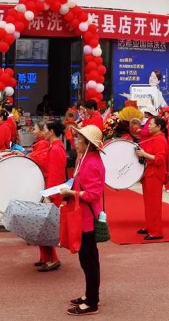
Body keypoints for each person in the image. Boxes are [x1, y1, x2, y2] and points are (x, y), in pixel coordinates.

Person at [59, 125, 105, 316]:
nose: (76, 142)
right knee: (88, 259)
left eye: (79, 140)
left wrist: (71, 193)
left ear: (87, 145)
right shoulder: (85, 159)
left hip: (87, 216)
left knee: (88, 260)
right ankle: (90, 295)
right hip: (83, 214)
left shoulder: (92, 163)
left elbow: (93, 194)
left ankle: (92, 302)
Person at [37, 120, 67, 272]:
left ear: (52, 132)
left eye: (45, 129)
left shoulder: (55, 149)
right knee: (44, 225)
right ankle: (45, 256)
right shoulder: (54, 147)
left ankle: (52, 259)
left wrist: (49, 195)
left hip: (52, 192)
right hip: (51, 190)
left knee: (45, 227)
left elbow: (55, 176)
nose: (43, 132)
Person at [135, 116, 168, 241]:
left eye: (151, 124)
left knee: (153, 204)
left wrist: (144, 154)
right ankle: (149, 227)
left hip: (155, 174)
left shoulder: (160, 140)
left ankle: (156, 231)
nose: (148, 126)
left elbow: (159, 159)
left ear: (159, 127)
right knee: (149, 203)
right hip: (149, 173)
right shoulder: (154, 137)